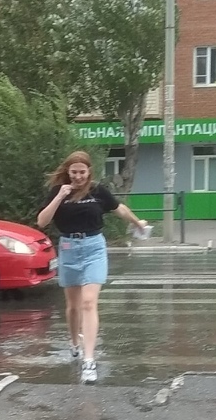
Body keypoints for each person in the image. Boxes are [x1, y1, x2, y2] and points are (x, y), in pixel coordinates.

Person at [36, 150, 148, 385]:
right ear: (68, 172)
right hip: (67, 247)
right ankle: (74, 343)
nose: (78, 176)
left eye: (82, 172)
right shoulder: (58, 191)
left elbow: (120, 209)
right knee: (73, 307)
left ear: (89, 172)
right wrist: (60, 197)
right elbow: (42, 221)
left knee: (88, 302)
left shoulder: (98, 191)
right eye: (73, 172)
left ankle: (89, 360)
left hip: (94, 247)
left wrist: (137, 223)